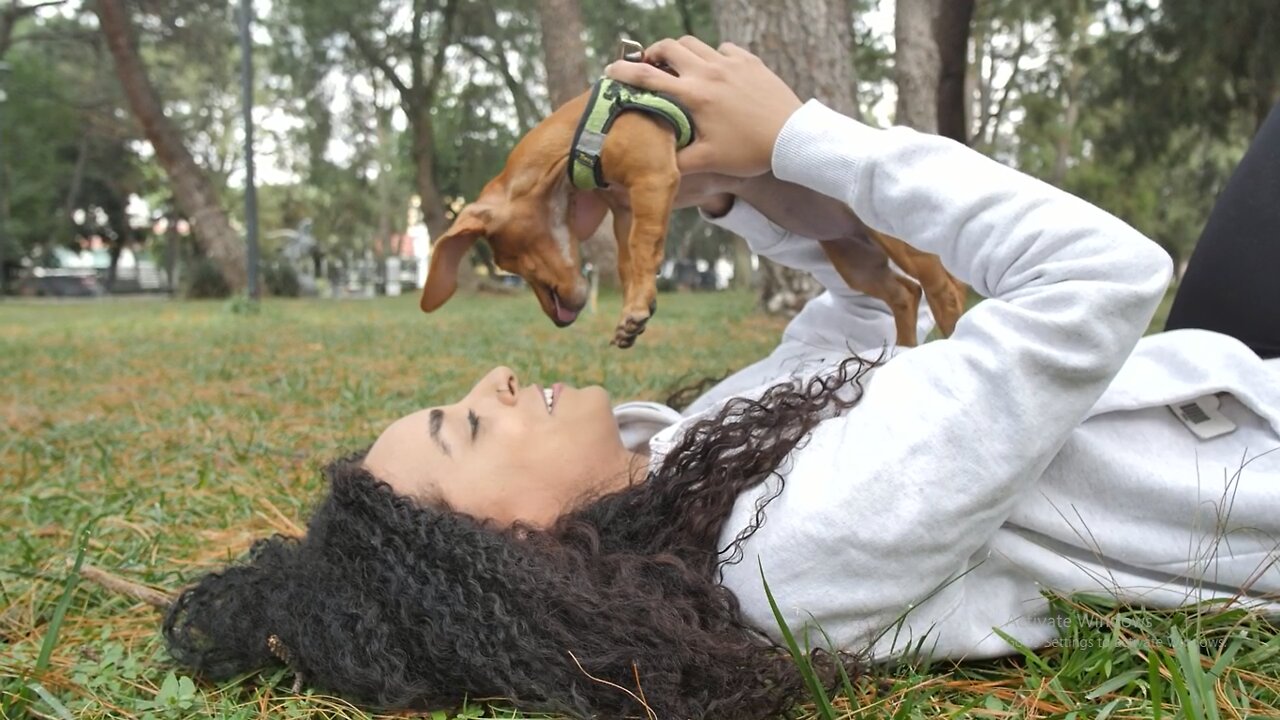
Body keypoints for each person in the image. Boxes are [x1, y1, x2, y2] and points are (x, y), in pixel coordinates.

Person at [163, 37, 1280, 720]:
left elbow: (852, 322)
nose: (496, 375)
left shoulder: (694, 489)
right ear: (520, 545)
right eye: (465, 427)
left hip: (1206, 377)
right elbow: (1100, 274)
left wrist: (727, 184)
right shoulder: (790, 547)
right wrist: (806, 137)